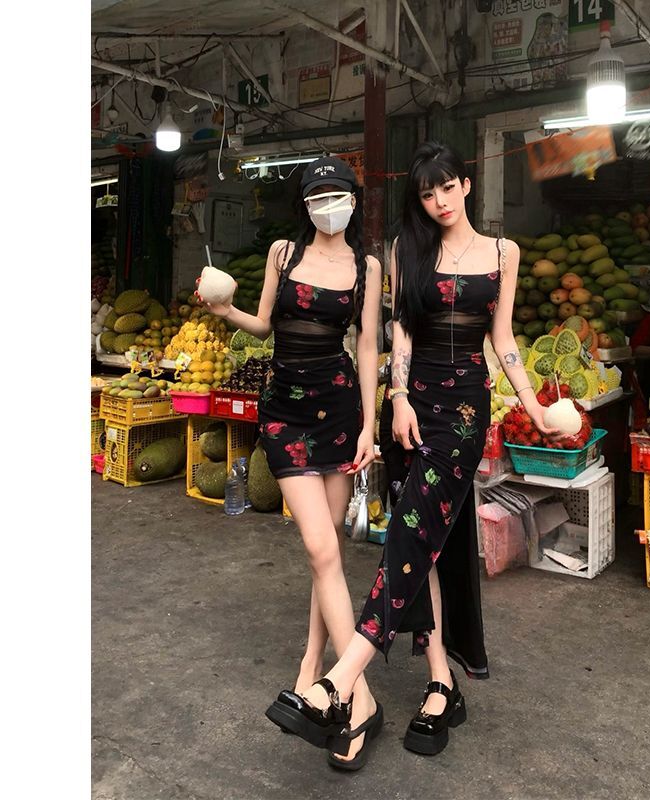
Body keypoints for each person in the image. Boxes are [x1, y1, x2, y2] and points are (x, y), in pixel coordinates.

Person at [265, 142, 563, 763]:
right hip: (410, 410)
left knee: (407, 535)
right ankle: (438, 681)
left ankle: (339, 681)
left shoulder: (503, 253)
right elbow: (399, 331)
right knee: (420, 545)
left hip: (463, 412)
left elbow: (502, 338)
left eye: (448, 187)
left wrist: (534, 407)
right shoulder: (406, 250)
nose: (439, 201)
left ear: (466, 186)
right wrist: (397, 398)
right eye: (428, 193)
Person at [196, 156, 383, 770]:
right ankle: (358, 697)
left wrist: (369, 425)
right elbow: (262, 326)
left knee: (326, 555)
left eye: (339, 193)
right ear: (305, 205)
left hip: (339, 412)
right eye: (319, 195)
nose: (330, 204)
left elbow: (366, 346)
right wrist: (225, 312)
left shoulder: (367, 267)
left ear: (353, 199)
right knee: (320, 549)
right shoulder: (284, 253)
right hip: (285, 414)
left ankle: (313, 667)